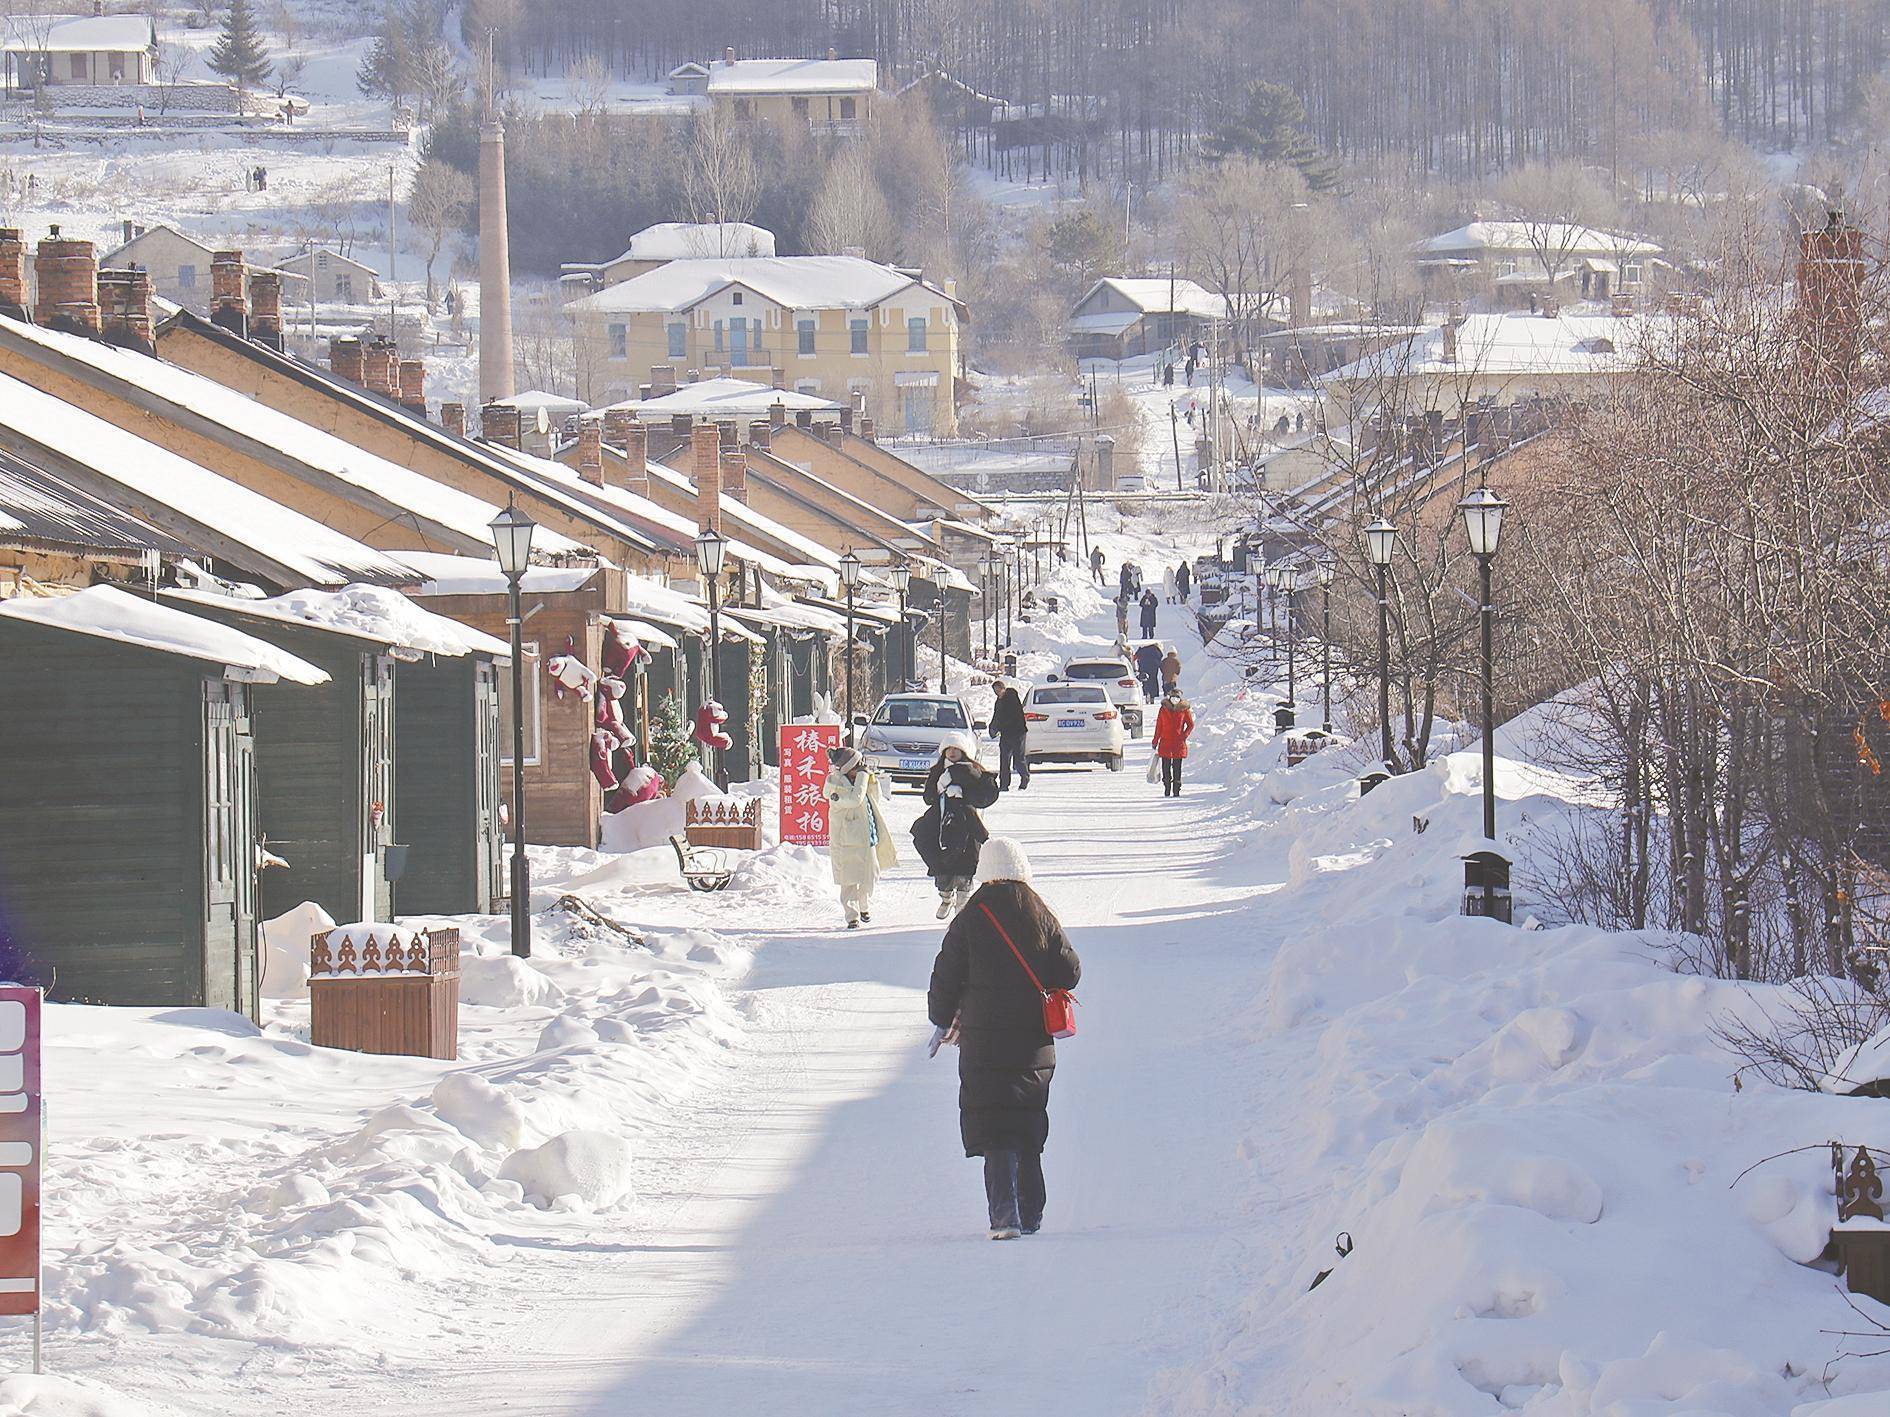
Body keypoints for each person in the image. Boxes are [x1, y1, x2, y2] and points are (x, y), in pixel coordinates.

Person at [926, 837, 1081, 1240]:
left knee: (994, 1126)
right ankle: (1032, 1214)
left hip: (983, 1041)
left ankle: (1003, 1217)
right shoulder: (1039, 913)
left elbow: (945, 974)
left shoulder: (971, 916)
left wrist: (941, 1018)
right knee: (1027, 1123)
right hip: (1032, 1039)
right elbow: (1070, 971)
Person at [914, 741, 999, 918]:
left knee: (965, 865)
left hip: (966, 823)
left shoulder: (973, 771)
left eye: (956, 749)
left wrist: (962, 794)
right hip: (940, 823)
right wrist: (939, 789)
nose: (952, 753)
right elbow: (928, 798)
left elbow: (982, 797)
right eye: (948, 749)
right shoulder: (937, 771)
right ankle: (946, 898)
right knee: (941, 864)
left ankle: (963, 904)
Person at [824, 745, 895, 929]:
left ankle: (864, 905)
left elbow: (875, 797)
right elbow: (854, 799)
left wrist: (870, 780)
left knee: (871, 874)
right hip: (847, 840)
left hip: (867, 836)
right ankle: (852, 915)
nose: (862, 768)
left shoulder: (860, 783)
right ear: (849, 768)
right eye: (858, 766)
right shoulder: (835, 783)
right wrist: (863, 777)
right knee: (848, 880)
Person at [1152, 687, 1195, 797]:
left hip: (1178, 743)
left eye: (1177, 697)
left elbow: (1190, 725)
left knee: (1177, 767)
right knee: (1166, 767)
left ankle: (1176, 790)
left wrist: (1184, 736)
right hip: (1165, 742)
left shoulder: (1184, 709)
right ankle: (1167, 788)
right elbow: (1159, 726)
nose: (1175, 699)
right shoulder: (1163, 709)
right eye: (1173, 697)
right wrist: (1155, 740)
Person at [989, 681, 1030, 792]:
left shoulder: (1012, 698)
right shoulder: (999, 702)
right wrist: (993, 727)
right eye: (995, 691)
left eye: (998, 690)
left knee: (1018, 759)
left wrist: (1001, 725)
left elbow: (1014, 716)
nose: (997, 693)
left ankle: (1024, 778)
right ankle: (1004, 784)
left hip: (1017, 733)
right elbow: (996, 716)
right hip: (1006, 734)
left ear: (1003, 689)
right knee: (1004, 759)